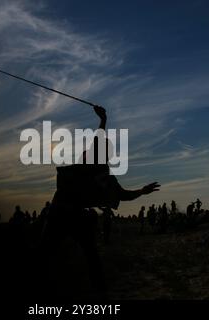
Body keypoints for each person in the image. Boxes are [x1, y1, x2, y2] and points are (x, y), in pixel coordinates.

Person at [42, 105, 160, 295]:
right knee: (47, 251)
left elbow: (123, 195)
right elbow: (98, 139)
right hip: (60, 210)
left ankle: (100, 292)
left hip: (76, 214)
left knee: (91, 255)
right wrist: (103, 120)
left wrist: (142, 191)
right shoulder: (88, 164)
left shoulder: (106, 177)